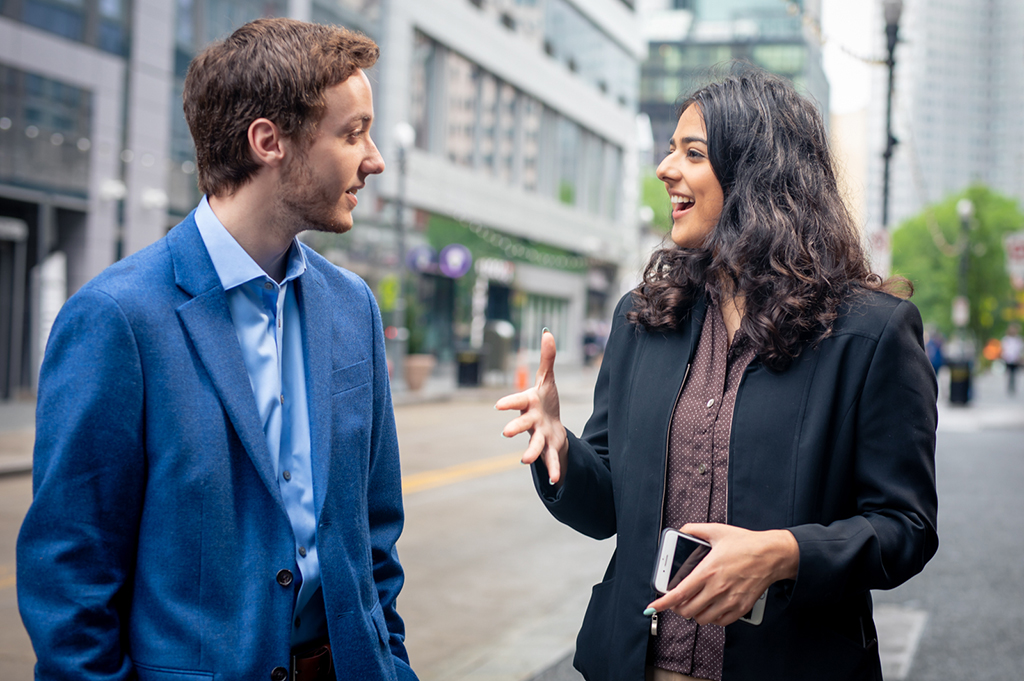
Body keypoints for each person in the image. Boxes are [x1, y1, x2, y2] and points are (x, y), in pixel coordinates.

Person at [497, 68, 938, 681]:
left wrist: (783, 554)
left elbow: (906, 529)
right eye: (671, 149)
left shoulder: (871, 334)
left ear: (757, 175)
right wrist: (559, 448)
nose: (665, 168)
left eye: (693, 153)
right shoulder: (642, 318)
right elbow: (605, 514)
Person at [17, 18, 418, 681]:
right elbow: (71, 576)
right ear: (269, 141)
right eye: (352, 133)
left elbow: (377, 539)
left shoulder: (354, 308)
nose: (373, 158)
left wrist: (392, 663)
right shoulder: (117, 317)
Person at [1002, 323, 1023, 394]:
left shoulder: (1018, 340)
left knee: (1014, 374)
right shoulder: (1006, 339)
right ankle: (1009, 387)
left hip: (1016, 359)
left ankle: (1013, 387)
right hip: (1008, 359)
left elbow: (1020, 349)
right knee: (1009, 373)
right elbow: (1004, 349)